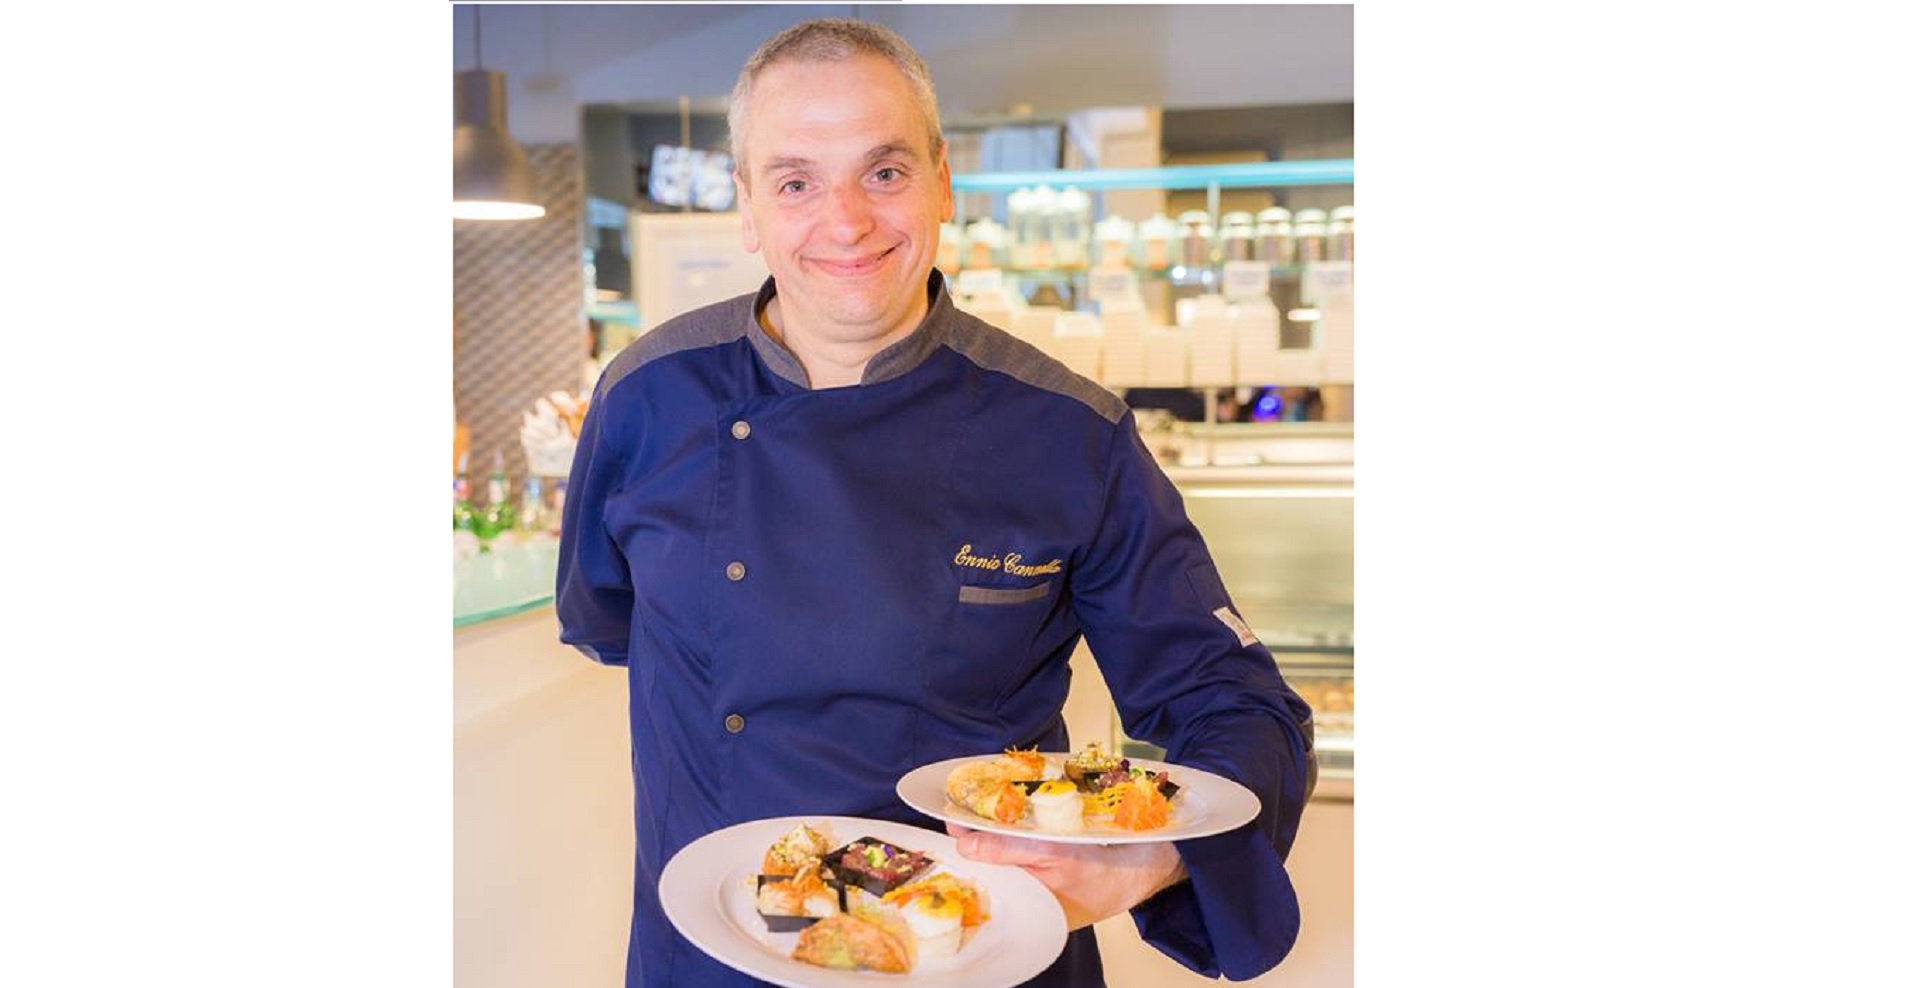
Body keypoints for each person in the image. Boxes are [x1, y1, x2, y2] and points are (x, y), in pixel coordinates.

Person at [556, 18, 1316, 988]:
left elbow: (1240, 703)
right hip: (710, 959)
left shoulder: (1068, 431)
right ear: (747, 207)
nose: (847, 222)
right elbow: (607, 620)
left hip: (982, 958)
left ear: (942, 182)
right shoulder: (645, 397)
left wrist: (1158, 857)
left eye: (883, 172)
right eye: (795, 182)